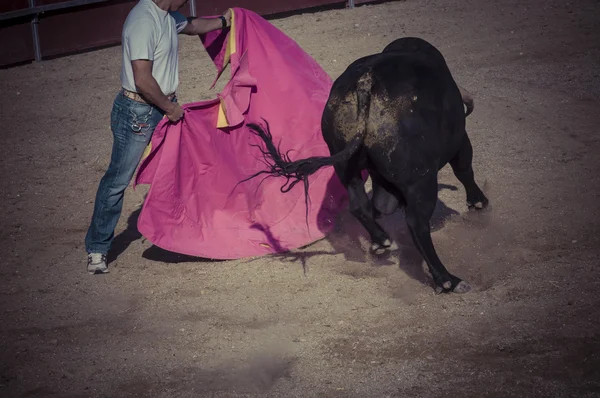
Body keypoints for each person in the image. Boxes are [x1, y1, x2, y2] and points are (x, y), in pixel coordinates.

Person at [85, 0, 232, 274]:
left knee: (179, 172)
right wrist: (170, 108)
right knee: (118, 180)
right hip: (139, 112)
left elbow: (191, 25)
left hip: (160, 106)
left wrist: (224, 21)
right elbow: (142, 79)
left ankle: (182, 234)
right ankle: (97, 248)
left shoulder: (165, 14)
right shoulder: (143, 21)